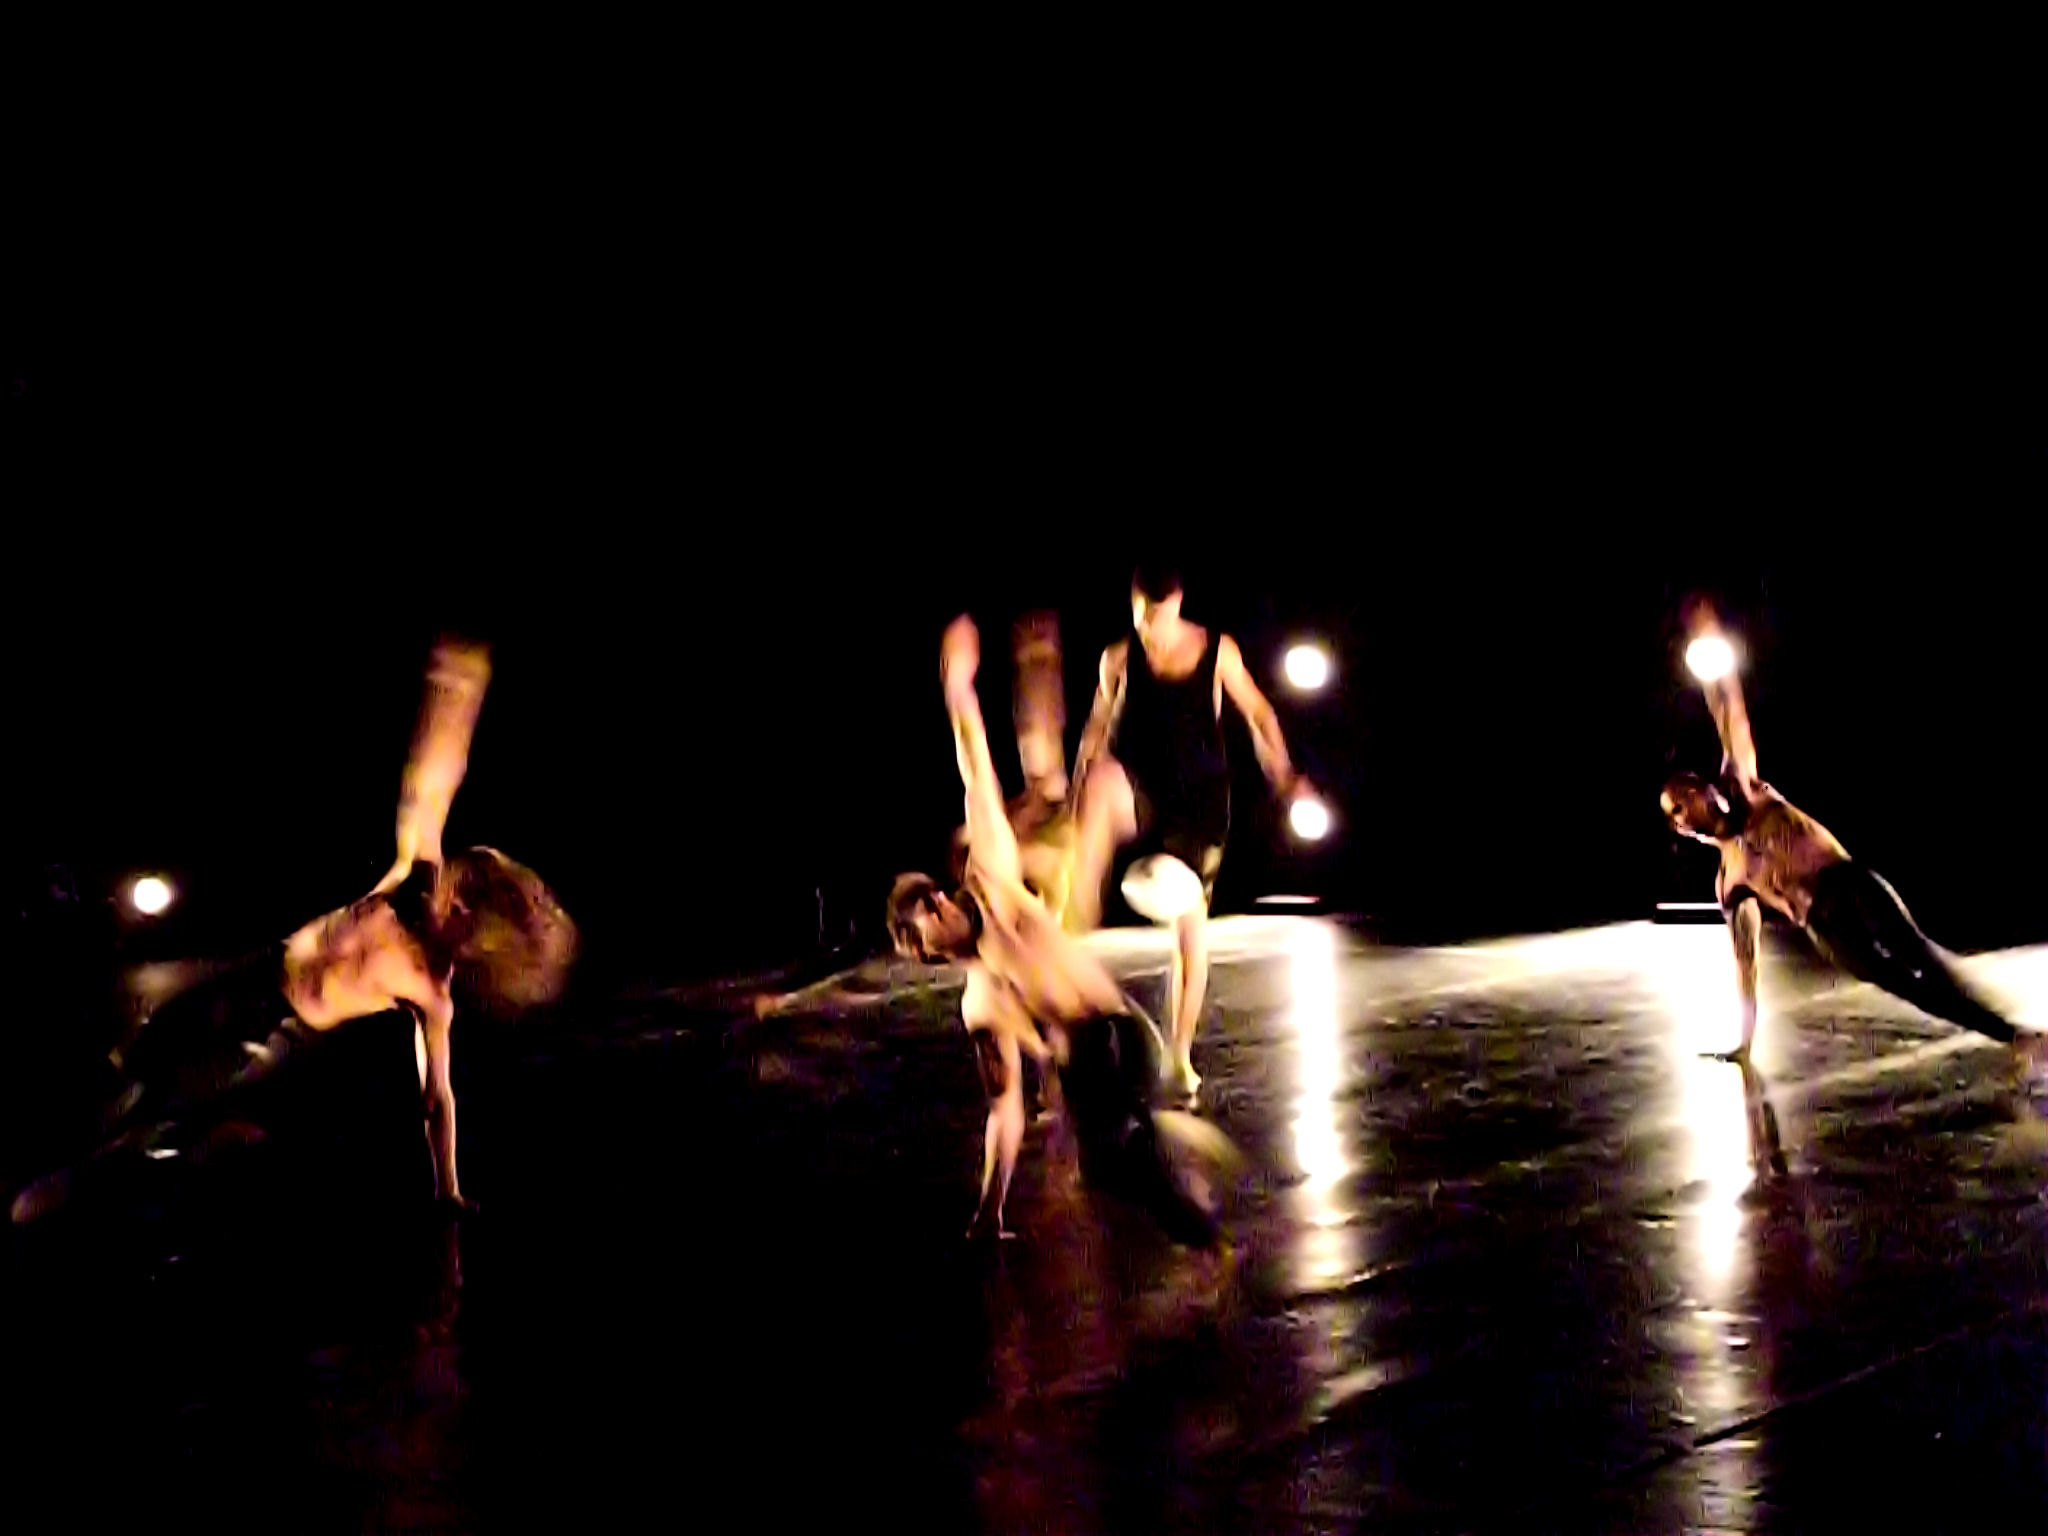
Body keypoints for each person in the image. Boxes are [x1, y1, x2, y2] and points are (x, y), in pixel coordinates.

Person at [11, 638, 578, 1225]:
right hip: (260, 969)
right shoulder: (413, 876)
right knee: (146, 1050)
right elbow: (430, 786)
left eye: (457, 911)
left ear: (471, 939)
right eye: (451, 890)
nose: (443, 901)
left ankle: (90, 1183)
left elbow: (438, 1098)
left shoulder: (431, 993)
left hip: (282, 1028)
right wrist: (455, 694)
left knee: (175, 1095)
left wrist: (448, 1188)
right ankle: (60, 1145)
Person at [886, 615, 1240, 1246]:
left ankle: (1171, 1171)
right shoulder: (981, 1002)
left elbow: (975, 771)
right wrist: (989, 1209)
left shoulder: (993, 881)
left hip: (1120, 1034)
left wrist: (957, 688)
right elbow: (1004, 1111)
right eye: (922, 929)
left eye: (929, 907)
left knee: (1106, 1113)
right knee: (1103, 1171)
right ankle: (1186, 1204)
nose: (937, 915)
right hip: (1087, 1068)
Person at [1662, 601, 2042, 1064]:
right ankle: (2012, 1037)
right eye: (1674, 812)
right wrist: (1745, 1042)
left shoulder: (1744, 786)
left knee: (1923, 959)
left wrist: (1709, 640)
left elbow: (1730, 713)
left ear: (1703, 789)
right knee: (1908, 986)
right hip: (1825, 929)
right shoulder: (1730, 880)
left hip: (1847, 884)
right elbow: (1747, 963)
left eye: (1684, 797)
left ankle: (2014, 1030)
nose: (1682, 813)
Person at [1067, 564, 1316, 1100]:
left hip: (1198, 808)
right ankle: (1072, 920)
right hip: (1142, 791)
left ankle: (1178, 1055)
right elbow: (1095, 731)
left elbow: (1259, 715)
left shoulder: (1217, 651)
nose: (1150, 632)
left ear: (1177, 606)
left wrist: (1284, 777)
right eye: (1141, 620)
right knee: (1102, 780)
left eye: (1158, 620)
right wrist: (1074, 799)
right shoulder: (1118, 658)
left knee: (1189, 928)